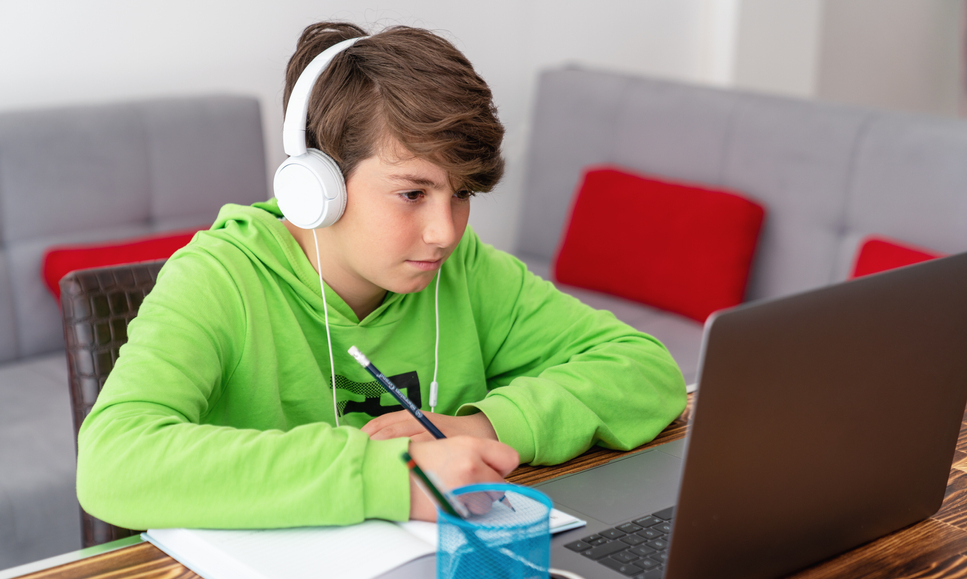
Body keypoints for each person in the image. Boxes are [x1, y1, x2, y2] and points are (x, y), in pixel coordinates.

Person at [76, 21, 687, 530]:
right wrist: (395, 479)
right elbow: (112, 462)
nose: (446, 232)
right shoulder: (219, 279)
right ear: (318, 187)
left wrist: (484, 424)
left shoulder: (467, 270)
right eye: (412, 193)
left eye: (462, 194)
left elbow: (645, 369)